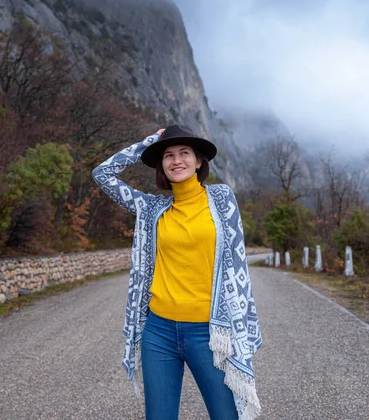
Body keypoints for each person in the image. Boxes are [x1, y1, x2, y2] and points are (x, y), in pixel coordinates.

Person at [92, 124, 262, 420]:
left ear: (199, 161)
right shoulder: (151, 209)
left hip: (210, 332)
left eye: (185, 153)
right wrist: (147, 142)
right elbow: (102, 174)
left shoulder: (221, 199)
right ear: (161, 165)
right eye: (168, 155)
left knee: (226, 416)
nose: (176, 160)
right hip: (159, 332)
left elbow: (236, 264)